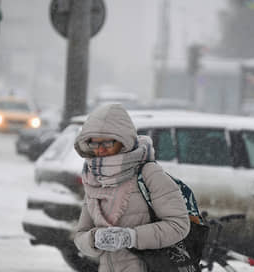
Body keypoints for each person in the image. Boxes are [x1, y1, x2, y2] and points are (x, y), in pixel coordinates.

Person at [72, 103, 190, 272]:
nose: (100, 150)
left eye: (107, 143)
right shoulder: (94, 178)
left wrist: (131, 237)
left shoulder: (148, 173)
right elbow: (81, 234)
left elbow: (178, 225)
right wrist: (94, 239)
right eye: (94, 143)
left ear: (124, 141)